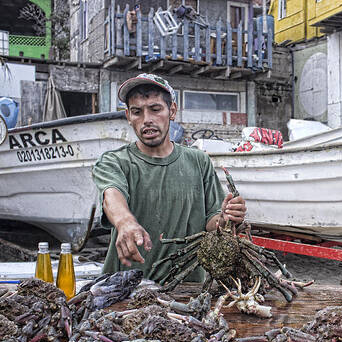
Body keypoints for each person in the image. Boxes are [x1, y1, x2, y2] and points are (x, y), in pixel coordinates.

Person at [92, 73, 246, 283]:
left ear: (172, 111)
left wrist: (227, 219)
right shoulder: (115, 161)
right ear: (128, 116)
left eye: (155, 109)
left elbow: (212, 221)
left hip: (187, 291)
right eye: (137, 112)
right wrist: (125, 222)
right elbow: (111, 195)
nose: (147, 119)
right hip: (125, 290)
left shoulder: (199, 161)